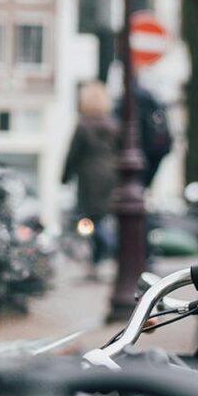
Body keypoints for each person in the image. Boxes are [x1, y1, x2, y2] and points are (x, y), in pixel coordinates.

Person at [60, 81, 119, 273]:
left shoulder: (83, 125)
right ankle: (100, 257)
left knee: (91, 220)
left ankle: (106, 251)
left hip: (89, 178)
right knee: (103, 217)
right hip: (111, 177)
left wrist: (64, 177)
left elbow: (72, 154)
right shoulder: (113, 125)